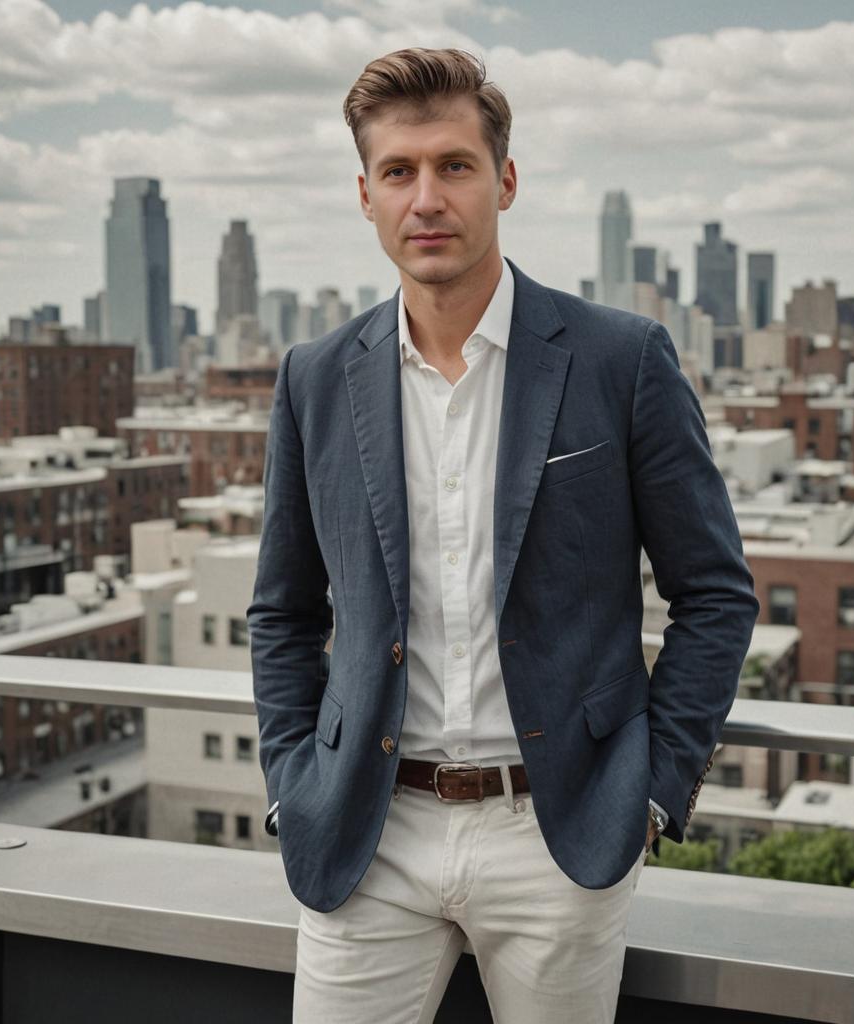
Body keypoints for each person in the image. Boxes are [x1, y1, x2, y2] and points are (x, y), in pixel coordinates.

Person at [246, 46, 760, 1024]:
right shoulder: (314, 376)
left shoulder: (621, 358)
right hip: (368, 830)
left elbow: (716, 592)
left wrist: (648, 793)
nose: (426, 197)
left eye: (454, 165)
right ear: (365, 196)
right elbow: (281, 611)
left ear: (505, 180)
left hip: (557, 831)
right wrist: (292, 782)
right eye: (398, 172)